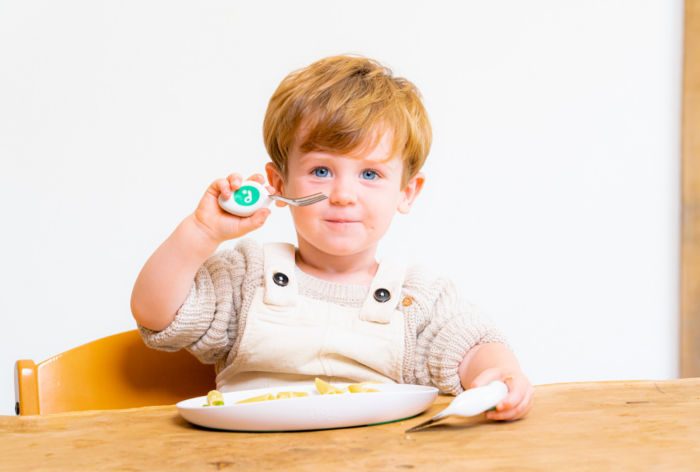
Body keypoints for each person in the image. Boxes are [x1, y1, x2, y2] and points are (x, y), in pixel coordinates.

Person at [131, 55, 534, 421]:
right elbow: (155, 312)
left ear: (406, 192)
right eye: (322, 170)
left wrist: (501, 373)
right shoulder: (245, 277)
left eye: (370, 174)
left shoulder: (417, 299)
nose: (343, 195)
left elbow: (475, 347)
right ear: (278, 183)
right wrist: (200, 233)